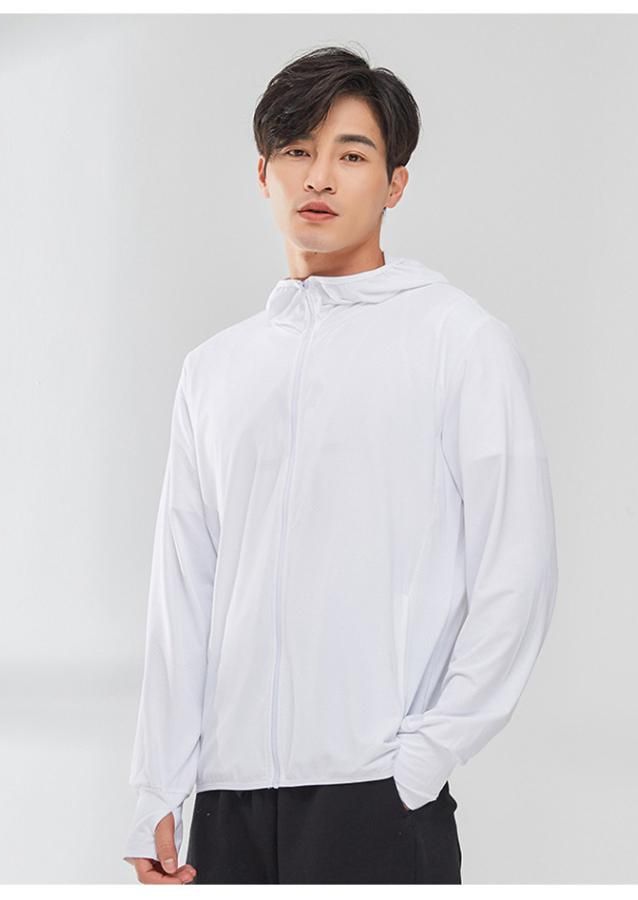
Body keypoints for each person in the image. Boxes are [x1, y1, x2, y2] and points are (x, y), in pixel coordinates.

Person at [122, 45, 558, 885]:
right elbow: (183, 592)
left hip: (377, 799)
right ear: (263, 173)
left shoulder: (460, 342)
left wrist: (422, 761)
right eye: (297, 150)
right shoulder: (214, 371)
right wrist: (158, 785)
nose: (319, 177)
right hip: (227, 802)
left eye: (352, 155)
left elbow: (519, 571)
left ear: (395, 183)